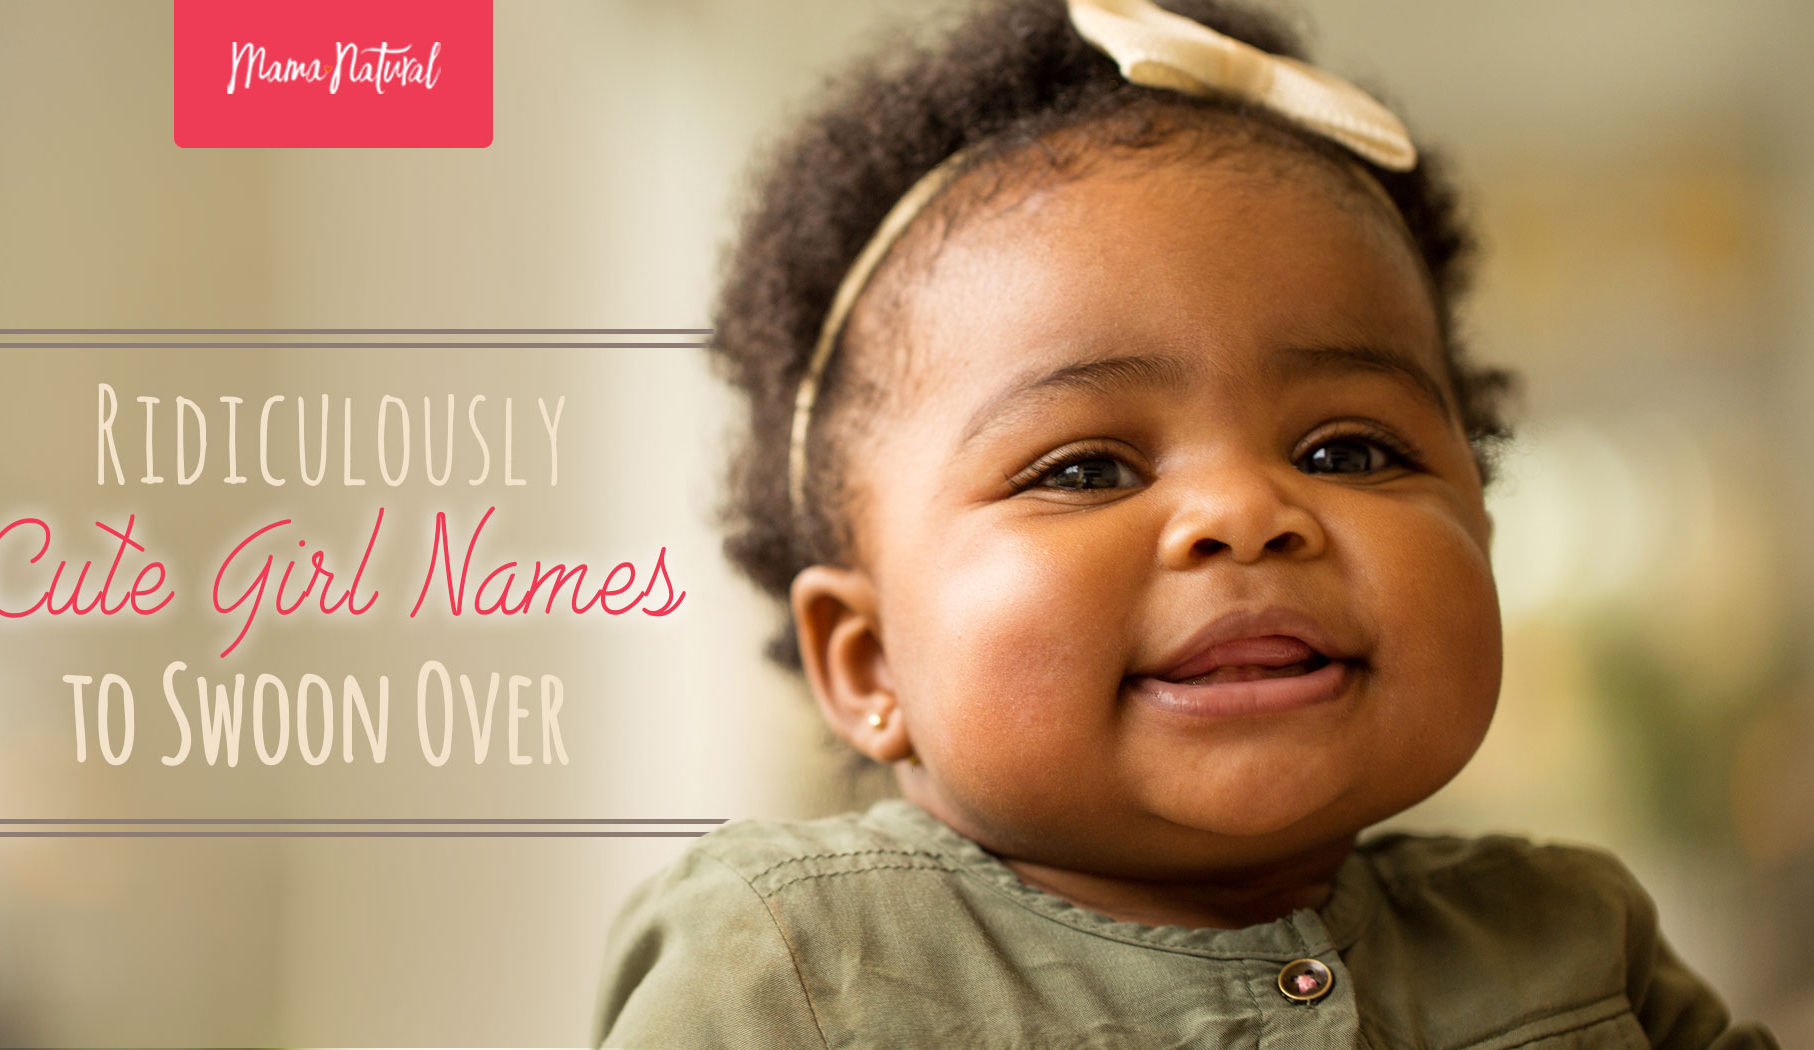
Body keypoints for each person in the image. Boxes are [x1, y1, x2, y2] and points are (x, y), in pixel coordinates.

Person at [591, 0, 1782, 1045]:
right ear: (866, 659)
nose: (1245, 512)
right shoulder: (801, 964)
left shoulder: (1568, 938)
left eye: (1345, 451)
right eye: (1084, 469)